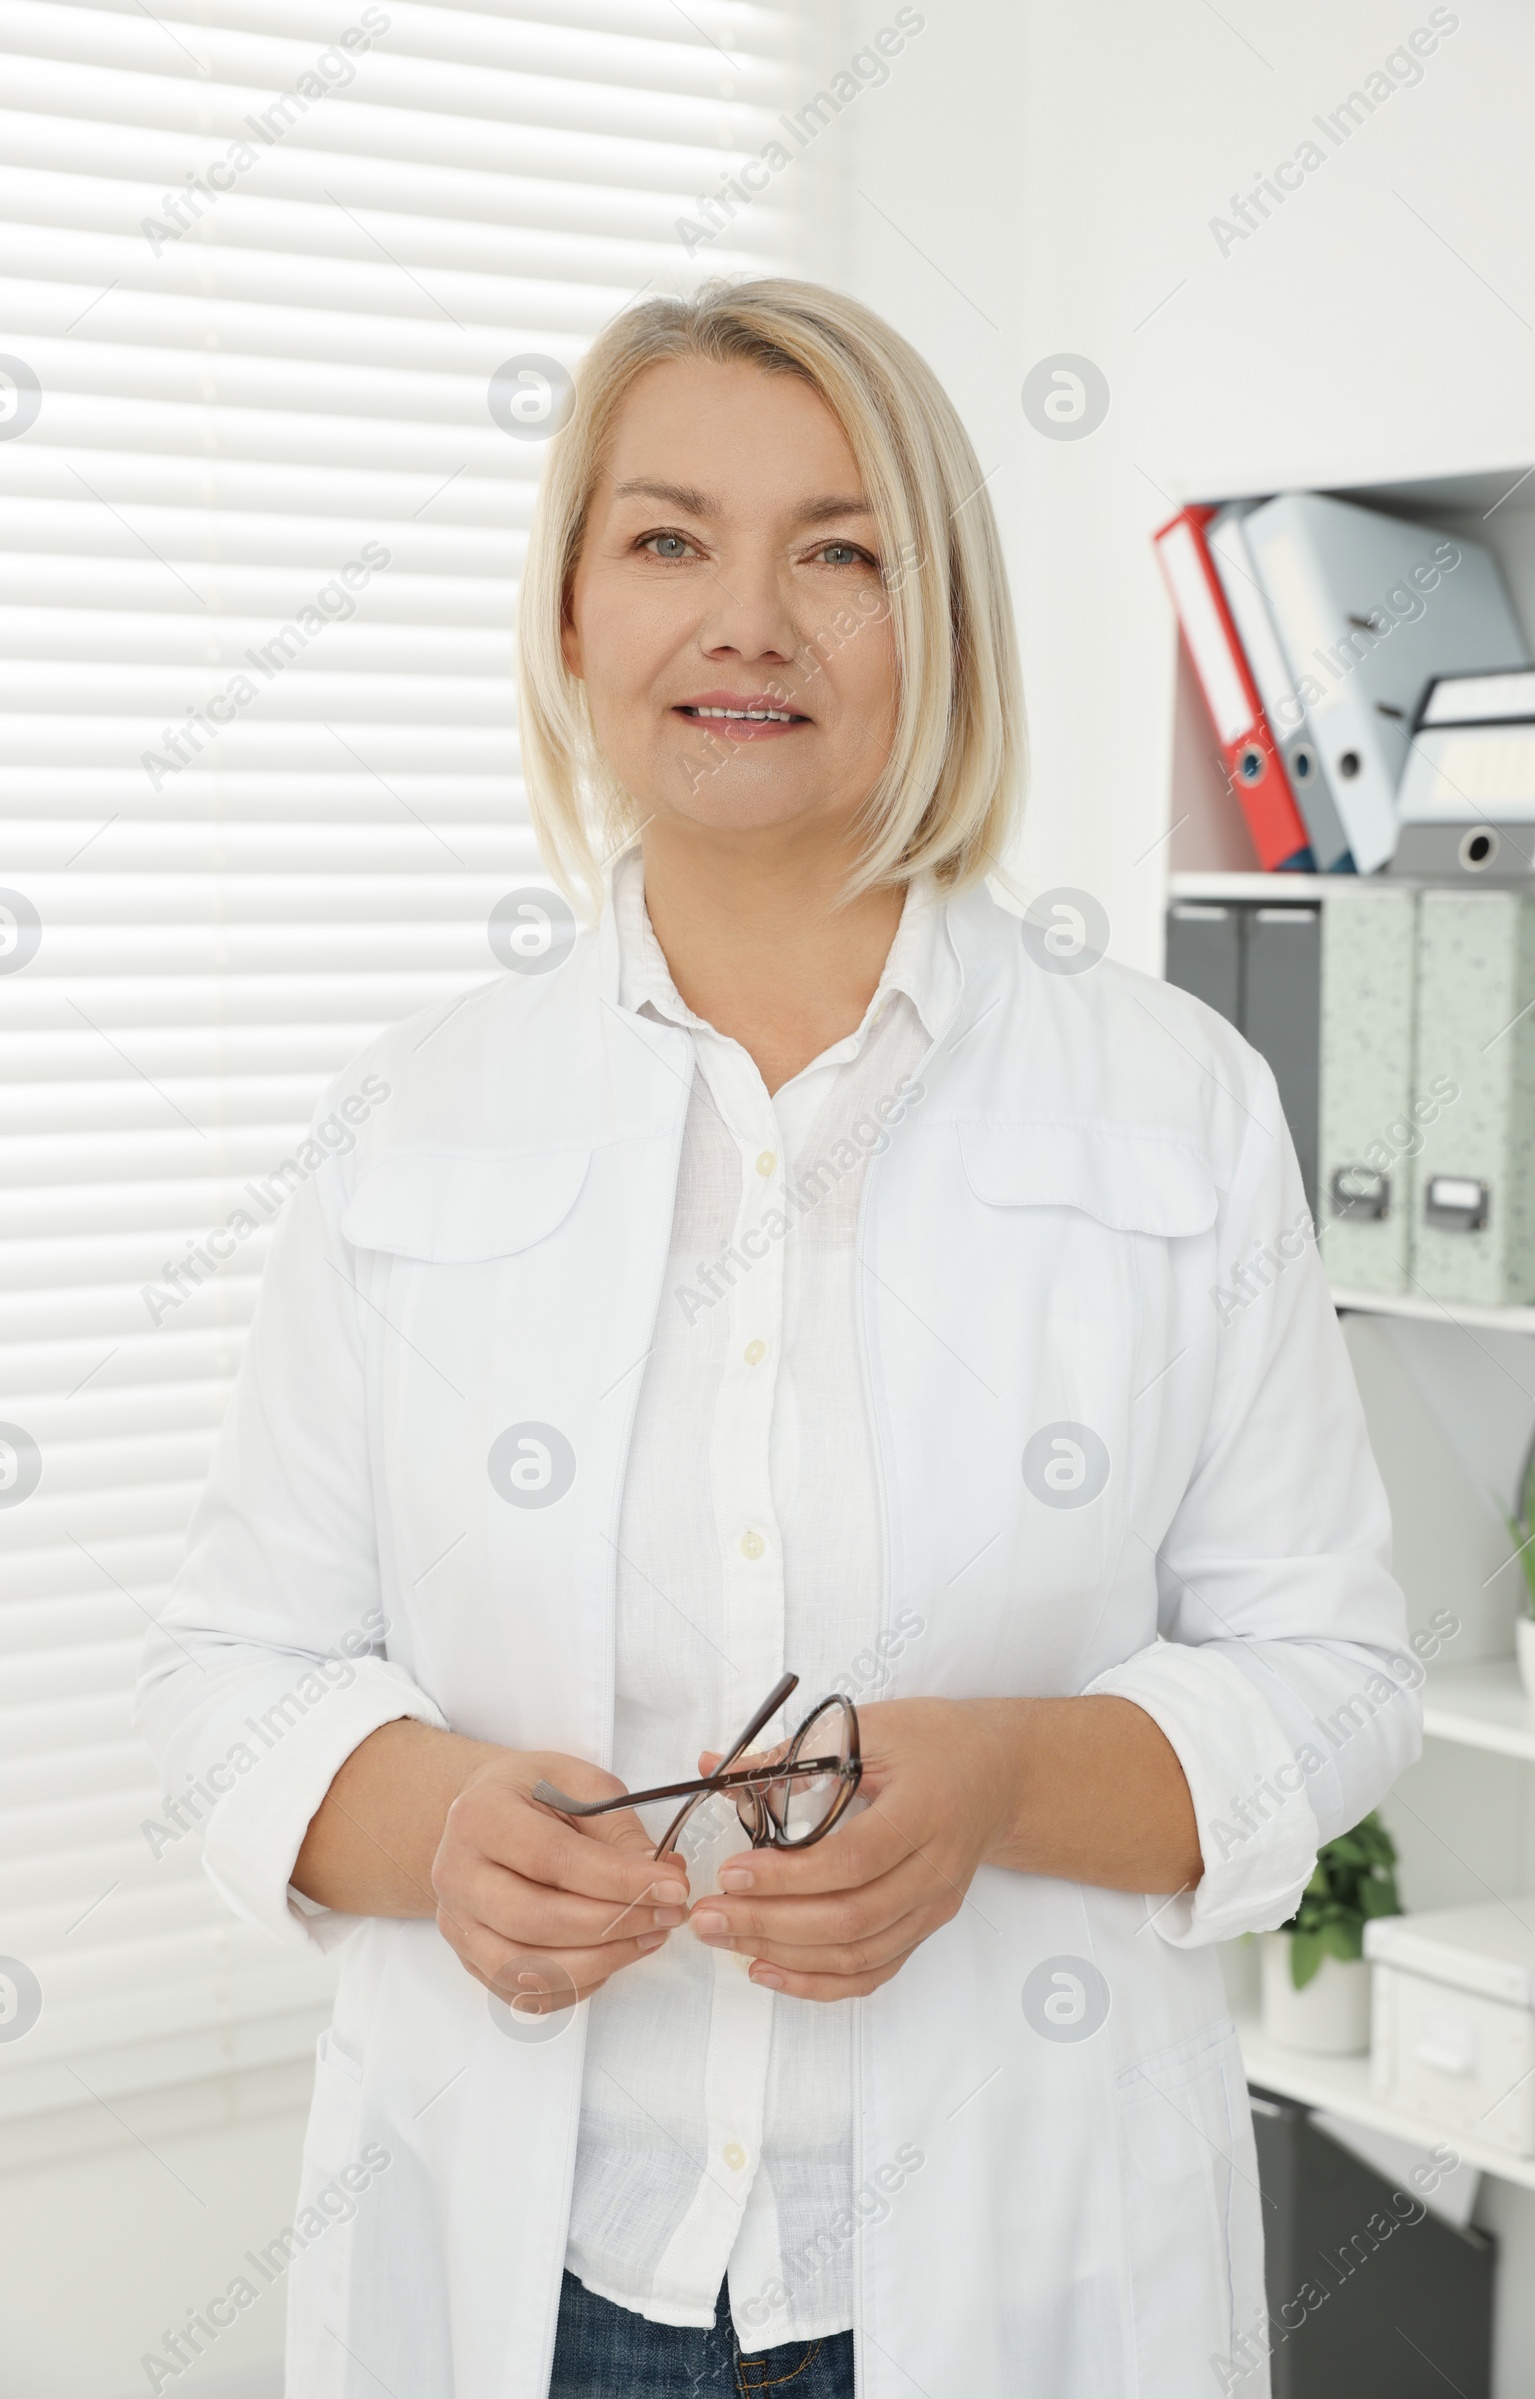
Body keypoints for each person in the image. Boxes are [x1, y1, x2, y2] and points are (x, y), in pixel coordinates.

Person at [137, 279, 1420, 2399]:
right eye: (665, 541)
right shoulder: (410, 1118)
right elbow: (226, 1676)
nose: (745, 619)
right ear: (569, 620)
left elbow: (1334, 1678)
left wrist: (1000, 1782)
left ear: (943, 633)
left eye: (839, 552)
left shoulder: (1172, 1105)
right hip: (535, 2281)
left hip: (1001, 2274)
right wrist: (434, 1821)